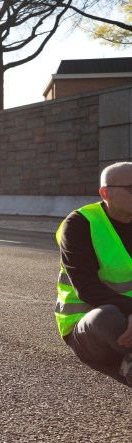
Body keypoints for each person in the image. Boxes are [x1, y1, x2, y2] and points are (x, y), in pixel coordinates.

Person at [56, 161, 132, 386]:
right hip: (89, 327)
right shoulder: (81, 223)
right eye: (131, 188)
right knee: (106, 315)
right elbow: (85, 287)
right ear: (105, 192)